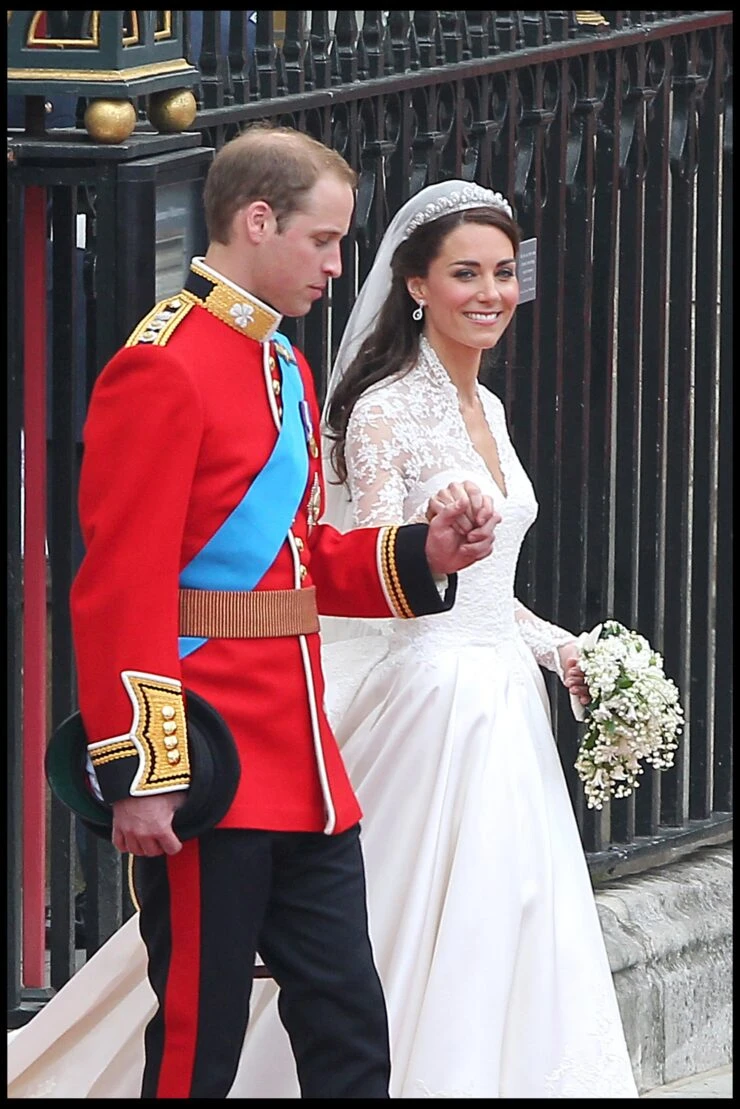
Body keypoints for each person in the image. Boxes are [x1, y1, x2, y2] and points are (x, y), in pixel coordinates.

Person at [5, 180, 637, 1099]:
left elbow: (307, 565)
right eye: (326, 240)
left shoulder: (285, 369)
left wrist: (429, 551)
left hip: (305, 765)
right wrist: (147, 771)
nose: (341, 265)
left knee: (349, 1029)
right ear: (259, 221)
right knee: (199, 1040)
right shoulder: (163, 363)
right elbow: (118, 584)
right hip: (210, 761)